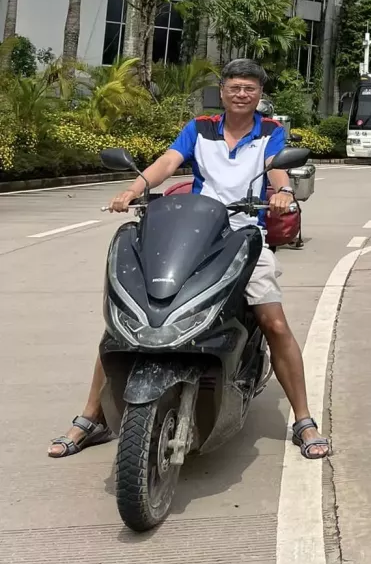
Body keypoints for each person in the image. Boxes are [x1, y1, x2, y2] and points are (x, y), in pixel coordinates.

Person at [48, 58, 329, 461]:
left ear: (259, 94)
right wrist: (132, 190)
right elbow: (167, 163)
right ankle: (92, 417)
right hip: (196, 235)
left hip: (243, 236)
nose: (241, 94)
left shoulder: (270, 132)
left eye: (249, 88)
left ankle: (303, 419)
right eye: (234, 87)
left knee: (273, 321)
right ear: (222, 91)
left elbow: (276, 169)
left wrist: (282, 193)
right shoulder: (199, 128)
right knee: (129, 321)